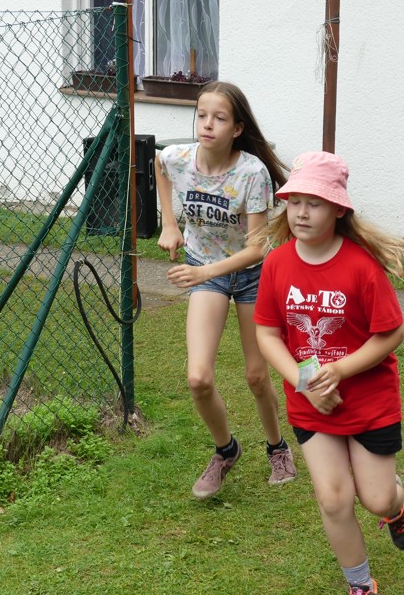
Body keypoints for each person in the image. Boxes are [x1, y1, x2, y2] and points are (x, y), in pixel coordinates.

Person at [252, 151, 404, 594]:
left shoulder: (361, 266)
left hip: (369, 403)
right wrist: (305, 384)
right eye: (294, 201)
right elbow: (267, 333)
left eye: (315, 203)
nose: (302, 213)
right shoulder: (277, 263)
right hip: (312, 403)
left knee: (375, 498)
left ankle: (397, 507)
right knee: (333, 498)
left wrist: (340, 370)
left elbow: (391, 333)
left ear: (339, 209)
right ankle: (360, 585)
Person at [155, 80, 296, 499]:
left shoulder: (251, 173)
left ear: (237, 128)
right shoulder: (179, 158)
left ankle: (277, 447)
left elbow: (257, 248)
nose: (207, 124)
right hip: (208, 272)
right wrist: (169, 224)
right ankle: (226, 450)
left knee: (257, 375)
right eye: (202, 115)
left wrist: (203, 273)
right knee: (198, 378)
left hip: (252, 276)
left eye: (219, 118)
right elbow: (160, 165)